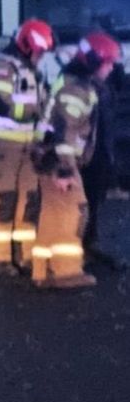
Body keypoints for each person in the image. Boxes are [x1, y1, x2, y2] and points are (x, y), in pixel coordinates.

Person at [30, 30, 122, 288]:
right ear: (94, 62)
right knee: (73, 212)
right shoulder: (77, 90)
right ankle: (65, 272)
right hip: (59, 161)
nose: (111, 68)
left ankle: (42, 270)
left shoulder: (72, 82)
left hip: (47, 157)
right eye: (108, 63)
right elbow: (66, 131)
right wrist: (65, 171)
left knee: (52, 214)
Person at [0, 18, 53, 273]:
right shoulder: (1, 69)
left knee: (30, 201)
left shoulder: (34, 73)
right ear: (26, 45)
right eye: (39, 51)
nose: (41, 56)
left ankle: (26, 256)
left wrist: (44, 138)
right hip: (3, 147)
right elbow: (3, 104)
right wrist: (35, 110)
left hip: (29, 147)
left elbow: (45, 109)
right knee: (3, 200)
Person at [80, 60, 128, 270]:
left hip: (99, 154)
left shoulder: (102, 88)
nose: (110, 69)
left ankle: (88, 242)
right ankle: (82, 246)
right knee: (84, 202)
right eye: (108, 65)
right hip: (89, 155)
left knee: (93, 201)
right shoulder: (87, 88)